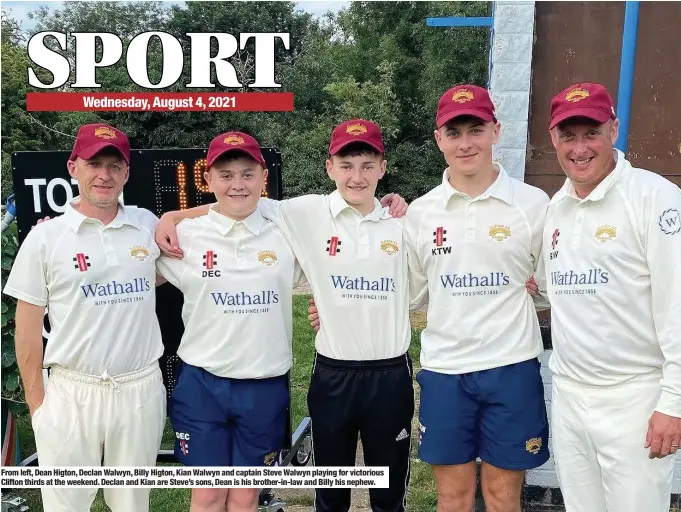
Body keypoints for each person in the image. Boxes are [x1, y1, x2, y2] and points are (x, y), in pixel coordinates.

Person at [311, 85, 552, 512]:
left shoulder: (534, 205)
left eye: (475, 129)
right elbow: (405, 293)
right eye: (453, 132)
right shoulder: (419, 214)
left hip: (512, 367)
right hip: (446, 371)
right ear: (438, 138)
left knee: (501, 495)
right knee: (453, 497)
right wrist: (332, 309)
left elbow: (550, 287)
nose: (465, 143)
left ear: (496, 131)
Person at [155, 120, 412, 512]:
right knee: (209, 494)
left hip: (323, 377)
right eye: (346, 164)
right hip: (223, 381)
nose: (356, 175)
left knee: (246, 497)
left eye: (366, 164)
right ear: (329, 167)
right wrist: (170, 217)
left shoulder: (397, 222)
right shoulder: (302, 212)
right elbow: (227, 206)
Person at [541, 82, 681, 511]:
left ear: (614, 129)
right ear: (553, 138)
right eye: (568, 135)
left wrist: (676, 400)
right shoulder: (555, 208)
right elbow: (550, 288)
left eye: (591, 132)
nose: (580, 148)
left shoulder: (654, 198)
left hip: (636, 398)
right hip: (571, 395)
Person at [3, 123, 166, 512]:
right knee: (67, 505)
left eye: (114, 165)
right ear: (74, 167)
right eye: (94, 163)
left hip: (140, 387)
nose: (104, 175)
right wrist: (39, 407)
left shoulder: (147, 225)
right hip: (71, 391)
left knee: (131, 504)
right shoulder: (46, 238)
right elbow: (26, 331)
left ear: (127, 173)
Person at [154, 131, 306, 512]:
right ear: (208, 179)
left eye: (247, 174)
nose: (237, 184)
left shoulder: (287, 228)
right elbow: (124, 263)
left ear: (263, 178)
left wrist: (392, 204)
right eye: (226, 174)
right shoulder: (184, 235)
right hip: (203, 383)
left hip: (264, 383)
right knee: (207, 495)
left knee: (244, 497)